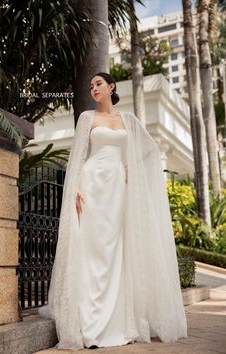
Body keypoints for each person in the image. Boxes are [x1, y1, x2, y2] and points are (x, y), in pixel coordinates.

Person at [38, 72, 188, 350]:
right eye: (90, 85)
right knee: (92, 248)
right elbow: (78, 157)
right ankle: (90, 322)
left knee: (114, 250)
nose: (93, 88)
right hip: (92, 185)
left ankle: (118, 322)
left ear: (111, 87)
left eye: (98, 84)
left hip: (117, 191)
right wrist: (75, 189)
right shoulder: (86, 118)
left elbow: (150, 150)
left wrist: (130, 169)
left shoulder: (128, 120)